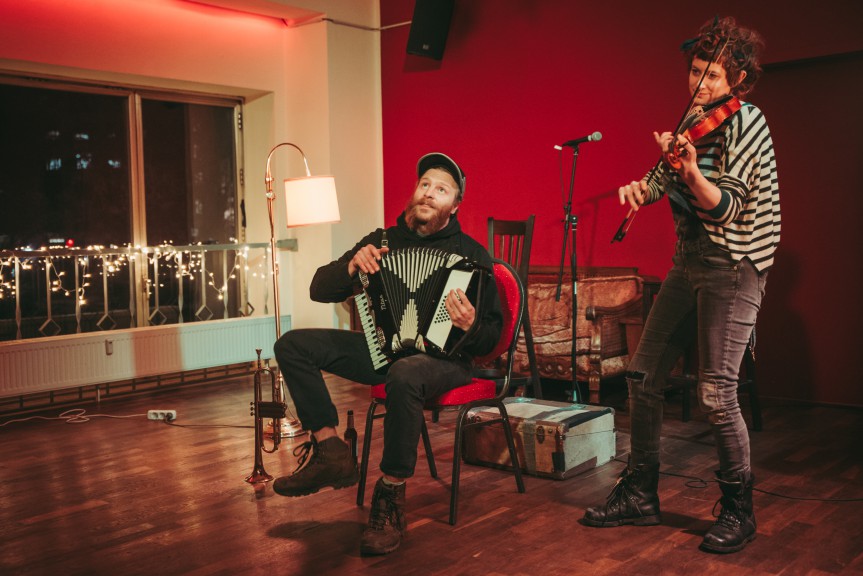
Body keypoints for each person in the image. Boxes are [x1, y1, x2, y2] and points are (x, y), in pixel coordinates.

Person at [582, 16, 780, 555]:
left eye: (713, 76)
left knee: (717, 393)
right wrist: (639, 190)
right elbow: (660, 181)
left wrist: (692, 173)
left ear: (736, 79)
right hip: (689, 262)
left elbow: (727, 207)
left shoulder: (747, 123)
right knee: (642, 376)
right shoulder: (692, 119)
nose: (701, 86)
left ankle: (740, 508)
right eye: (696, 72)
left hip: (734, 264)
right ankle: (641, 493)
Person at [271, 152, 502, 556]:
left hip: (447, 362)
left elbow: (492, 340)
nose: (429, 193)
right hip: (384, 350)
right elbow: (318, 289)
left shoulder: (472, 256)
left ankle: (390, 496)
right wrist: (349, 269)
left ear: (455, 205)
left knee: (407, 373)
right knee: (293, 344)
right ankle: (329, 450)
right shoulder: (380, 242)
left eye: (441, 189)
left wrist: (470, 326)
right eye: (424, 184)